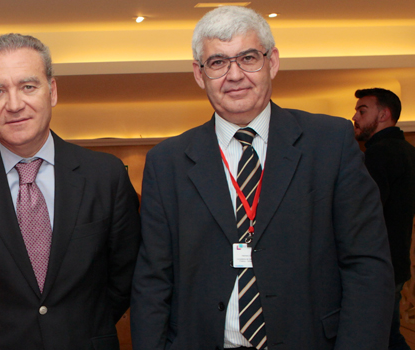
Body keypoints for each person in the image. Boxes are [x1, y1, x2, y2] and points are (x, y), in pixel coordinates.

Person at [131, 6, 394, 349]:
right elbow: (153, 282)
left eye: (248, 57)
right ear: (199, 74)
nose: (234, 74)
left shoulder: (330, 143)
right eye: (218, 62)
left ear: (272, 63)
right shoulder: (166, 163)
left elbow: (367, 266)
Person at [0, 33, 141, 349]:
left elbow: (125, 275)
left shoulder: (105, 176)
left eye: (28, 86)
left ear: (51, 91)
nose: (14, 105)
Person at [352, 87, 415, 350]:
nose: (354, 116)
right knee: (388, 335)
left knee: (382, 338)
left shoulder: (379, 154)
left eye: (362, 110)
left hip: (376, 264)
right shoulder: (408, 151)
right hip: (396, 261)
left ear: (384, 114)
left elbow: (364, 213)